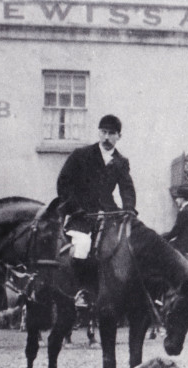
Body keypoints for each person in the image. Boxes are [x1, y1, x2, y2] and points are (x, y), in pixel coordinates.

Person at [56, 114, 136, 308]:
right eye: (104, 132)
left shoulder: (121, 161)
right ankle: (81, 291)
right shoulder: (81, 155)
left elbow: (127, 187)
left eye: (112, 133)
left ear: (119, 136)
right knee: (82, 245)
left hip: (108, 212)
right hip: (81, 214)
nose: (107, 137)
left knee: (125, 245)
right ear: (99, 133)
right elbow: (63, 183)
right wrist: (75, 208)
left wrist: (128, 208)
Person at [162, 188, 188, 254]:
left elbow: (176, 231)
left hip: (184, 245)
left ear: (182, 199)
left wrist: (164, 238)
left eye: (177, 198)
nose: (176, 200)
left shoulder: (184, 211)